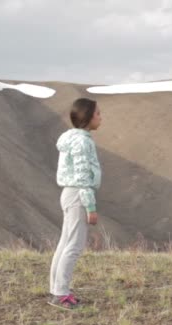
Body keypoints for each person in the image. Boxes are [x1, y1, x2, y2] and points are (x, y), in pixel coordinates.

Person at [48, 98, 102, 309]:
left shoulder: (69, 138)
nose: (101, 117)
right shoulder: (83, 141)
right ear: (88, 117)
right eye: (98, 114)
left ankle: (56, 290)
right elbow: (82, 176)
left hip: (68, 193)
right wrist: (90, 207)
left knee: (65, 243)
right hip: (78, 194)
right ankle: (61, 294)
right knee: (75, 245)